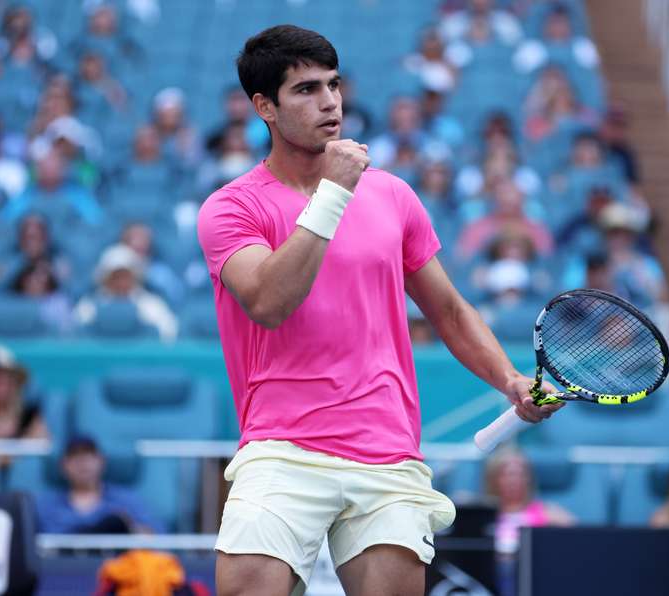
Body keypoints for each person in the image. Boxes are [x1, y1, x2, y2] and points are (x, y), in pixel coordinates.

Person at [197, 25, 561, 596]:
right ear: (264, 106)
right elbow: (269, 303)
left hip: (385, 448)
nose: (329, 102)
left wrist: (510, 379)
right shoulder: (230, 208)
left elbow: (449, 310)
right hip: (282, 446)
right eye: (306, 89)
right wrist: (334, 194)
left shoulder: (393, 195)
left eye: (334, 85)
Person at [484, 446, 573, 596]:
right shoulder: (483, 514)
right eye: (507, 474)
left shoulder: (547, 513)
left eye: (520, 474)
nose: (514, 480)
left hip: (533, 578)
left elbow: (575, 536)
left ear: (529, 479)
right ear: (494, 479)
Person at [35, 436, 164, 534]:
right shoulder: (45, 506)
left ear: (102, 461)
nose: (83, 462)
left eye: (89, 455)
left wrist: (130, 528)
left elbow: (157, 536)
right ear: (63, 465)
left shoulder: (127, 501)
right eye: (75, 456)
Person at [74, 244, 179, 341]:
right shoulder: (88, 307)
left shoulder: (152, 306)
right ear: (106, 278)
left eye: (125, 276)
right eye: (116, 276)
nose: (121, 282)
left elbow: (168, 336)